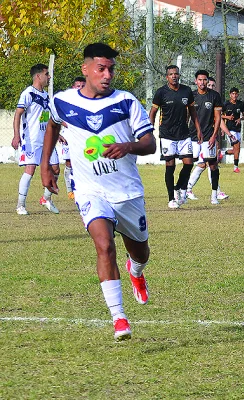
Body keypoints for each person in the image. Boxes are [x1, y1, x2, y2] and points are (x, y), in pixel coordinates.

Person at [40, 42, 156, 341]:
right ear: (86, 69)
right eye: (101, 68)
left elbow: (149, 144)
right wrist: (45, 164)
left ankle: (137, 271)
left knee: (140, 251)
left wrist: (127, 146)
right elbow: (52, 126)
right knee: (104, 246)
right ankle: (119, 317)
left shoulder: (127, 102)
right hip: (90, 190)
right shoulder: (62, 101)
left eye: (111, 69)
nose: (107, 75)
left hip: (127, 192)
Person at [149, 65, 202, 209]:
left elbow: (193, 112)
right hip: (167, 134)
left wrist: (198, 130)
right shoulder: (161, 93)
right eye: (171, 74)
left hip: (184, 134)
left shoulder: (186, 91)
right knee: (170, 166)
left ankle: (179, 187)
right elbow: (152, 113)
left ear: (179, 75)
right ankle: (171, 198)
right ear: (167, 77)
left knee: (189, 163)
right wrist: (149, 130)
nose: (174, 76)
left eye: (176, 74)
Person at [12, 63, 60, 215]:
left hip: (46, 139)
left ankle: (46, 199)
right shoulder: (28, 93)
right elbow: (18, 113)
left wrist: (60, 135)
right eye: (47, 74)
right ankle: (20, 205)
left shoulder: (46, 96)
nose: (49, 77)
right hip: (31, 139)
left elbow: (47, 118)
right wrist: (16, 135)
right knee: (30, 170)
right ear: (38, 76)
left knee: (56, 168)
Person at [186, 70, 227, 204]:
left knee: (213, 165)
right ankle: (184, 191)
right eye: (200, 80)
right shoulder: (191, 96)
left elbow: (217, 118)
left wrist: (214, 136)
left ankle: (214, 195)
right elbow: (187, 116)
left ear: (207, 81)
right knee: (189, 164)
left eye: (205, 80)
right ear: (195, 81)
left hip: (208, 136)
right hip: (192, 136)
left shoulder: (214, 96)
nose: (202, 82)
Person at [59, 76, 86, 200]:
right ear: (73, 87)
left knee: (82, 162)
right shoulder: (66, 101)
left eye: (82, 86)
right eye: (78, 86)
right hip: (68, 136)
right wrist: (59, 134)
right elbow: (56, 117)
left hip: (82, 137)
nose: (80, 88)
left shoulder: (88, 102)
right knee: (69, 163)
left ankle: (81, 188)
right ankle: (70, 190)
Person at [221, 87, 244, 173]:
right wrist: (227, 117)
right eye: (233, 94)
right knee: (237, 146)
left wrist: (240, 119)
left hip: (238, 129)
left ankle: (222, 153)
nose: (234, 95)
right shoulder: (226, 104)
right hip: (230, 129)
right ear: (230, 95)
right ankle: (235, 167)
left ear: (238, 94)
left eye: (236, 94)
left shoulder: (240, 104)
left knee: (237, 150)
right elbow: (220, 116)